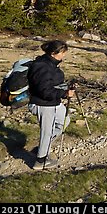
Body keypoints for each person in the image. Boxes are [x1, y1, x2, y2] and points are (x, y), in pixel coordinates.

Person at [27, 40, 75, 170]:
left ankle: (42, 148)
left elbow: (52, 84)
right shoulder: (42, 66)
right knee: (46, 132)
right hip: (42, 104)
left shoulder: (51, 64)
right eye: (62, 53)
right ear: (54, 53)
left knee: (64, 121)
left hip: (52, 102)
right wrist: (64, 93)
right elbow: (44, 91)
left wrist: (65, 88)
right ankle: (40, 161)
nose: (64, 56)